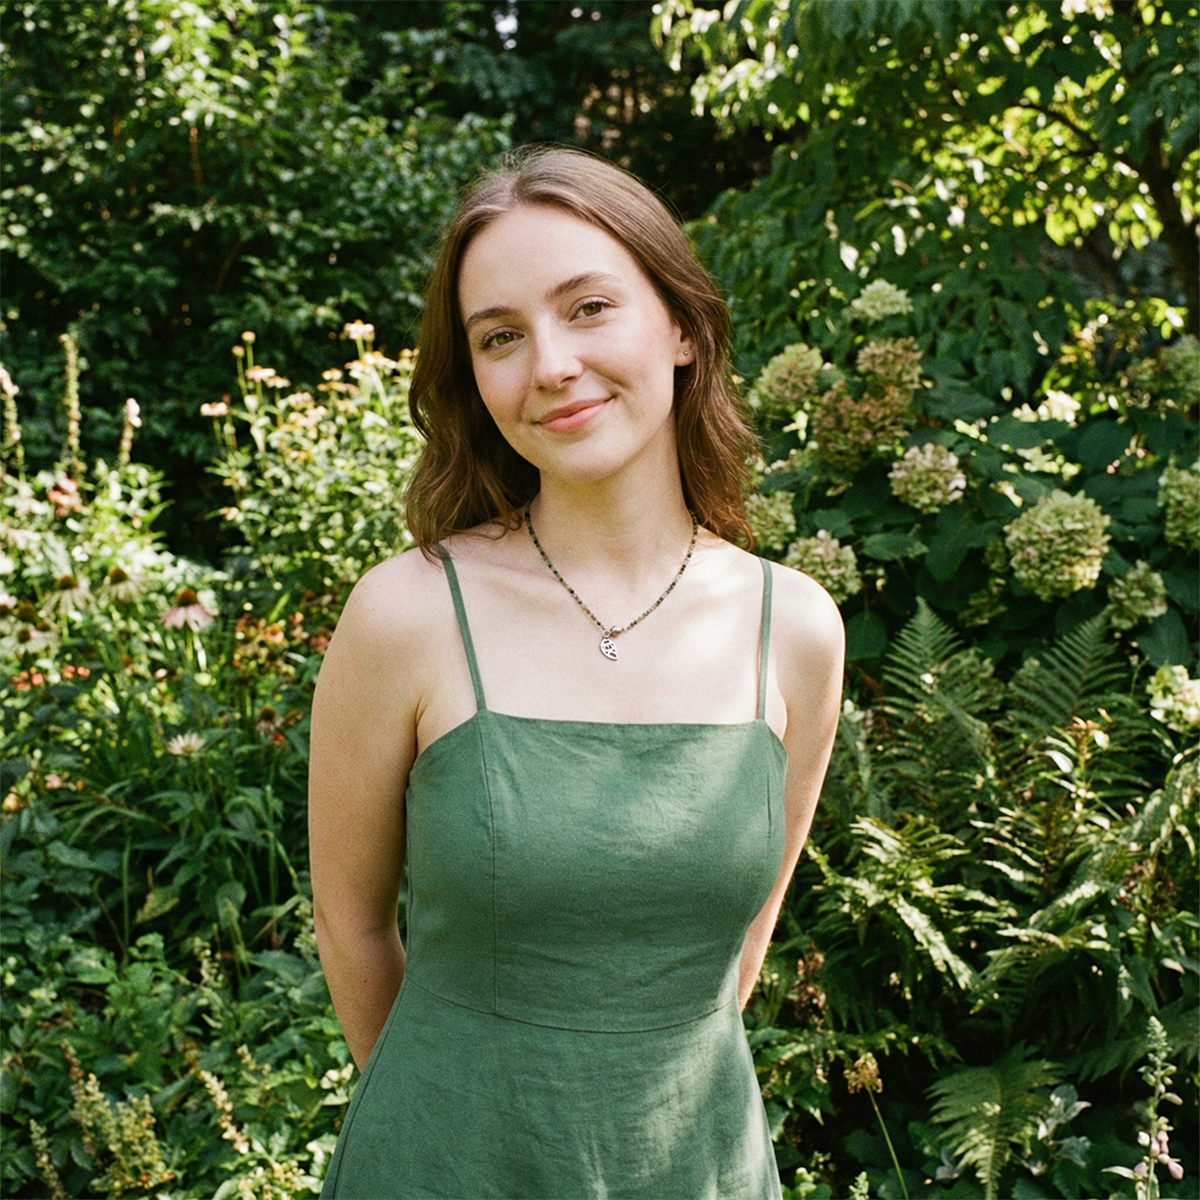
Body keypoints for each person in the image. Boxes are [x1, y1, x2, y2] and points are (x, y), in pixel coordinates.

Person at [308, 146, 844, 1199]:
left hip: (700, 1170)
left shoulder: (794, 629)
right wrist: (457, 1116)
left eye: (588, 307)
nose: (549, 363)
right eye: (500, 336)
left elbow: (741, 942)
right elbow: (353, 923)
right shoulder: (407, 614)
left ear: (681, 327)